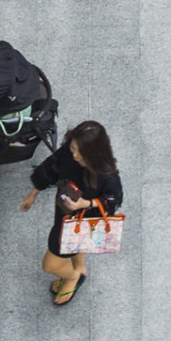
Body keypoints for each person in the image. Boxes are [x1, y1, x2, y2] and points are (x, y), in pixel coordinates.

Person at [22, 121, 124, 306]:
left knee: (50, 265)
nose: (74, 155)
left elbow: (113, 199)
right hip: (65, 212)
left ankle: (73, 276)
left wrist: (86, 203)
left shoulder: (106, 174)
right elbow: (50, 170)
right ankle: (80, 268)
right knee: (78, 244)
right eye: (72, 147)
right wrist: (33, 194)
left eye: (80, 152)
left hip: (84, 220)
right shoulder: (69, 154)